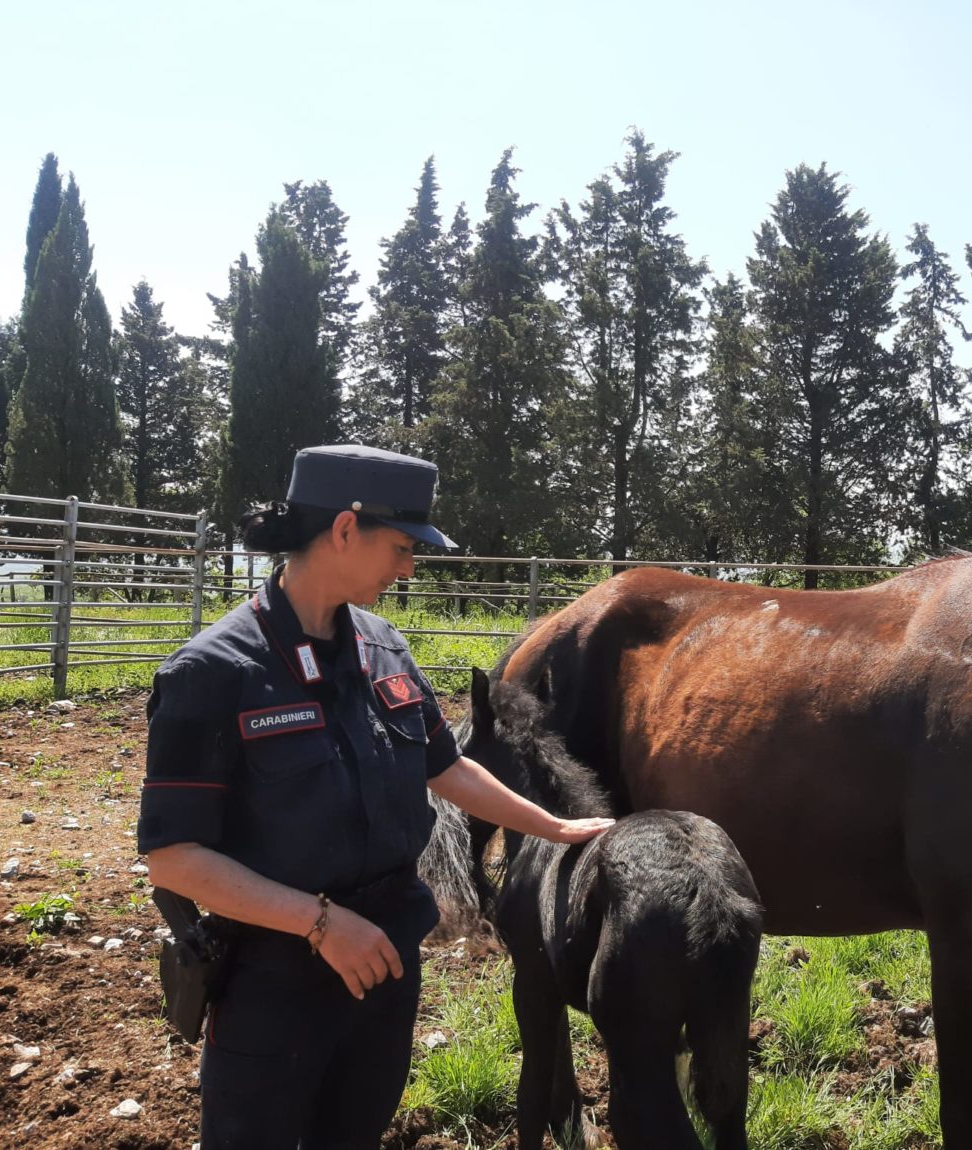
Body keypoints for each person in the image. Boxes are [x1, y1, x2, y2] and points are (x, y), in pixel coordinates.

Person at [137, 445, 614, 1149]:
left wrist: (552, 825)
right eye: (399, 547)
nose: (407, 568)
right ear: (341, 530)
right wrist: (322, 924)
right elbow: (173, 858)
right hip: (275, 984)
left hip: (385, 967)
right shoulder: (213, 673)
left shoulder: (382, 645)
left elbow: (444, 766)